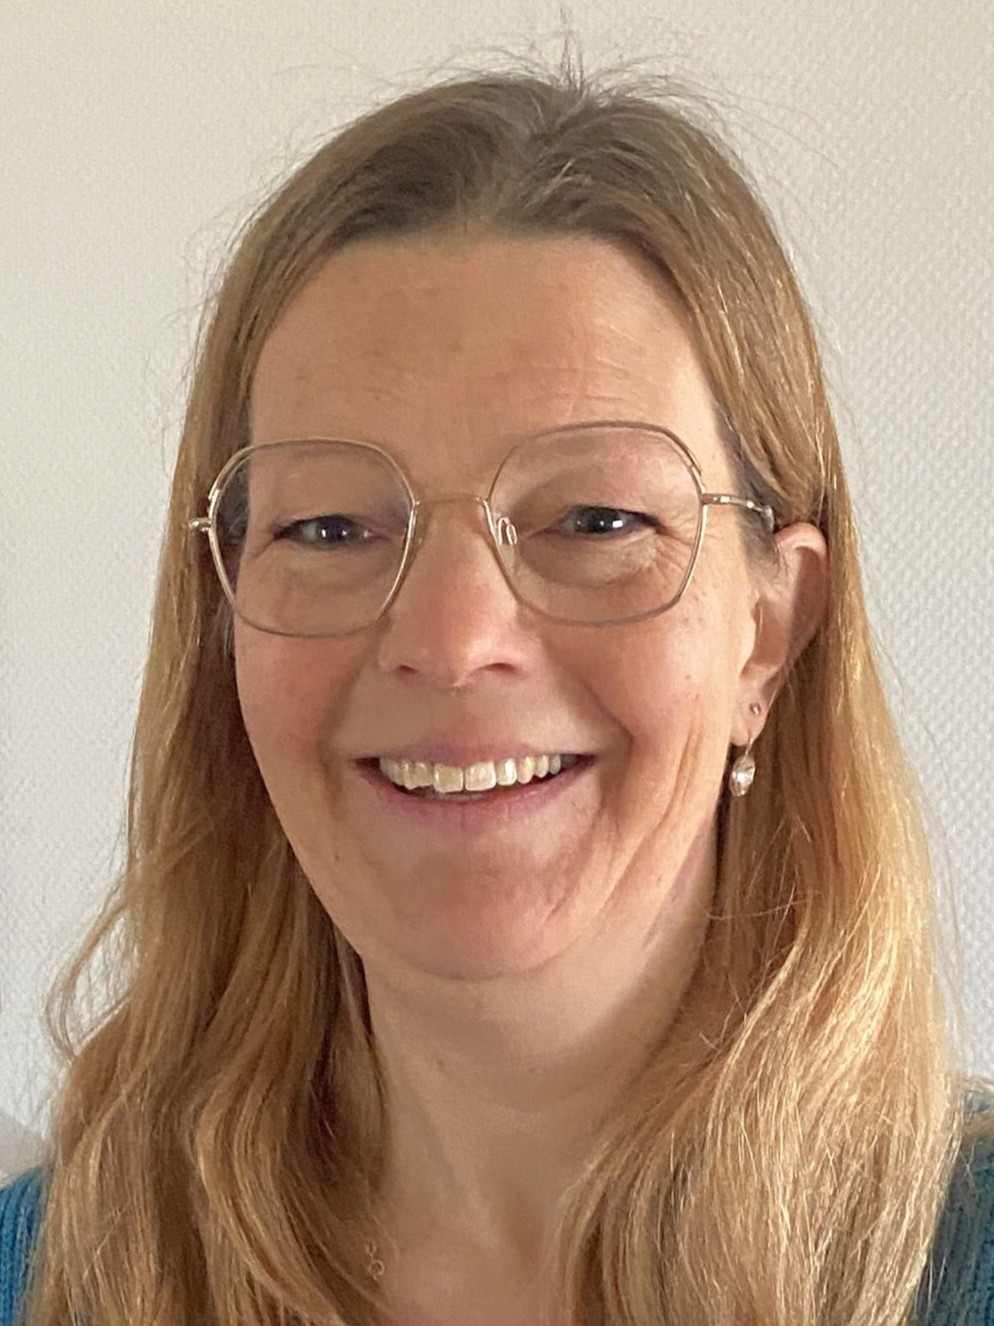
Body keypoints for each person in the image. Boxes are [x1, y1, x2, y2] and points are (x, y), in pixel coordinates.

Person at [1, 58, 992, 1326]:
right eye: (328, 527)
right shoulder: (48, 1276)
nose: (455, 640)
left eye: (595, 518)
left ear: (767, 632)